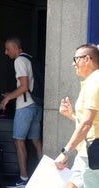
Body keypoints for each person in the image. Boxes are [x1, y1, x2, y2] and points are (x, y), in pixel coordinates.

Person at [0, 37, 43, 187]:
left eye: (8, 49)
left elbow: (24, 86)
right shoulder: (30, 59)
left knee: (18, 140)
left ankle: (23, 179)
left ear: (16, 48)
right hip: (36, 105)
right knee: (36, 141)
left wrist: (7, 99)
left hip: (25, 107)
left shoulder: (19, 61)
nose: (6, 52)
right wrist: (11, 94)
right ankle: (44, 176)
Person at [54, 44, 99, 188]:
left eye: (76, 59)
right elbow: (92, 121)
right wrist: (72, 115)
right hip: (87, 153)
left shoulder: (95, 82)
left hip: (91, 152)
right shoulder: (92, 81)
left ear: (87, 59)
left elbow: (87, 123)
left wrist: (66, 152)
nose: (73, 63)